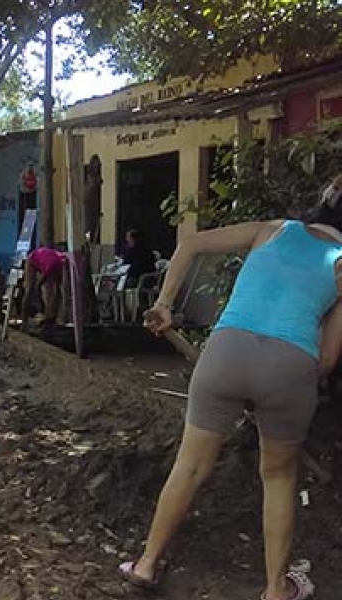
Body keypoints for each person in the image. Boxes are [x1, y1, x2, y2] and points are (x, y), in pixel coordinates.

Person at [120, 174, 342, 600]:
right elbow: (328, 359)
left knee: (189, 465)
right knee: (278, 476)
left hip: (225, 352)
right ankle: (277, 588)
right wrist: (285, 389)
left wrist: (164, 304)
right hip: (292, 365)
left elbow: (191, 243)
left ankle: (146, 564)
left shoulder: (271, 230)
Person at [22, 246, 67, 325]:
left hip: (46, 261)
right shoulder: (53, 264)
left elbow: (58, 287)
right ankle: (24, 316)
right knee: (30, 288)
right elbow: (42, 280)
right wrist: (37, 289)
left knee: (54, 291)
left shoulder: (61, 266)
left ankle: (51, 315)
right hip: (33, 259)